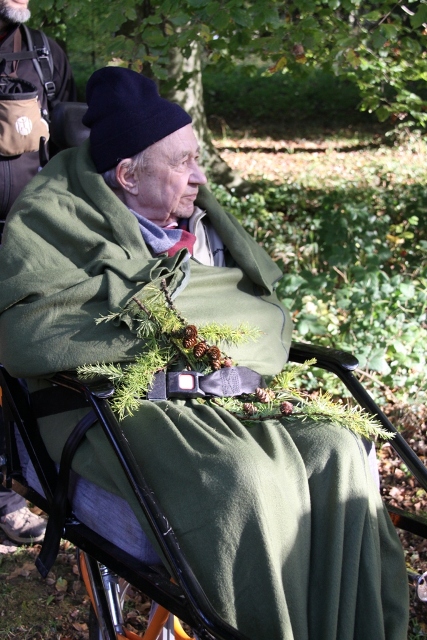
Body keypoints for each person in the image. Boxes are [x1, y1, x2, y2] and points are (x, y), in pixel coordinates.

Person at [0, 67, 409, 639]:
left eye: (198, 159)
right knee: (242, 478)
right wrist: (160, 318)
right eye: (183, 163)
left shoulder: (202, 223)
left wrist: (183, 316)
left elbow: (264, 319)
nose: (199, 178)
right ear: (127, 174)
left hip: (221, 393)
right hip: (108, 408)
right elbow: (29, 333)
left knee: (337, 450)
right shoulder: (53, 221)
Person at [0, 0, 76, 544]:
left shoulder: (46, 56)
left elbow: (74, 153)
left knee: (24, 372)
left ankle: (15, 492)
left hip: (33, 250)